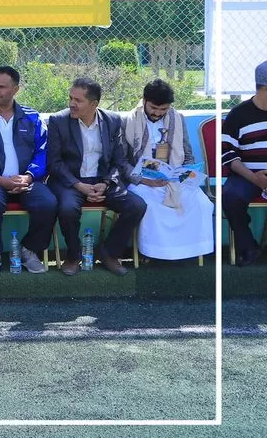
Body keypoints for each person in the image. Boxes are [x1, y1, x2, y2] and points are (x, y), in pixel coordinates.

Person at [47, 77, 146, 276]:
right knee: (67, 209)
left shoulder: (112, 121)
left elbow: (119, 160)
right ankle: (74, 256)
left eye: (78, 100)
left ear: (94, 104)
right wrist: (78, 185)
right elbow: (54, 162)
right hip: (70, 181)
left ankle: (109, 252)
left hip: (102, 180)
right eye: (70, 98)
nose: (71, 104)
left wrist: (106, 183)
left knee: (136, 206)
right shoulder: (59, 121)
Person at [0, 66, 58, 276]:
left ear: (15, 89)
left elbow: (43, 151)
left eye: (1, 87)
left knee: (48, 202)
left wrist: (28, 176)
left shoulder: (32, 118)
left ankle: (29, 250)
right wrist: (0, 180)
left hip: (27, 180)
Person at [123, 79, 214, 261]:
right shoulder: (128, 121)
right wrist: (144, 180)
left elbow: (187, 153)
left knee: (201, 203)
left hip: (173, 177)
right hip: (142, 180)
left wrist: (187, 174)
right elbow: (122, 161)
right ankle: (151, 252)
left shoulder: (177, 119)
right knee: (151, 206)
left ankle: (190, 250)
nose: (157, 113)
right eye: (153, 108)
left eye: (163, 109)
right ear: (144, 101)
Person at [221, 59, 267, 267]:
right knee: (231, 196)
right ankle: (248, 247)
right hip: (246, 174)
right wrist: (255, 178)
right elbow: (228, 155)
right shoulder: (238, 114)